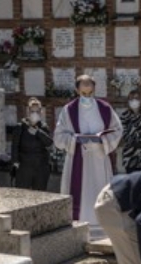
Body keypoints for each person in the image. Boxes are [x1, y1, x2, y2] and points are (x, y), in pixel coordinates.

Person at [54, 74, 123, 227]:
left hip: (99, 157)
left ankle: (102, 221)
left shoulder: (105, 108)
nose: (87, 96)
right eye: (84, 93)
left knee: (100, 189)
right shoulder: (68, 110)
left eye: (90, 92)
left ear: (94, 89)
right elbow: (58, 136)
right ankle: (78, 222)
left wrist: (102, 140)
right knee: (79, 193)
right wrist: (75, 139)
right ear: (77, 90)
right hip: (78, 156)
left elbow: (117, 129)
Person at [11, 97, 53, 191]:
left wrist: (38, 132)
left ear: (41, 112)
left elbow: (49, 142)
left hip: (40, 166)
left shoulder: (43, 126)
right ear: (28, 112)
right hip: (24, 166)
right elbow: (15, 146)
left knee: (39, 193)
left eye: (37, 111)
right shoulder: (20, 127)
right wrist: (15, 162)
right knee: (22, 193)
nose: (34, 114)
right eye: (32, 111)